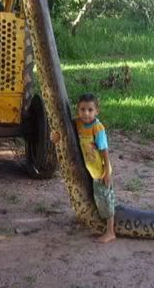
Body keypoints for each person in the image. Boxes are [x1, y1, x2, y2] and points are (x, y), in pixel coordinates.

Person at [51, 93, 116, 243]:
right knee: (96, 197)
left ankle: (110, 231)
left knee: (105, 199)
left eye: (90, 110)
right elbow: (61, 131)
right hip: (89, 168)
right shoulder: (78, 123)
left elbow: (104, 150)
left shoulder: (98, 128)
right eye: (82, 109)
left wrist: (107, 172)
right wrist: (54, 136)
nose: (86, 113)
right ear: (78, 110)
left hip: (100, 170)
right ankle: (97, 222)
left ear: (96, 111)